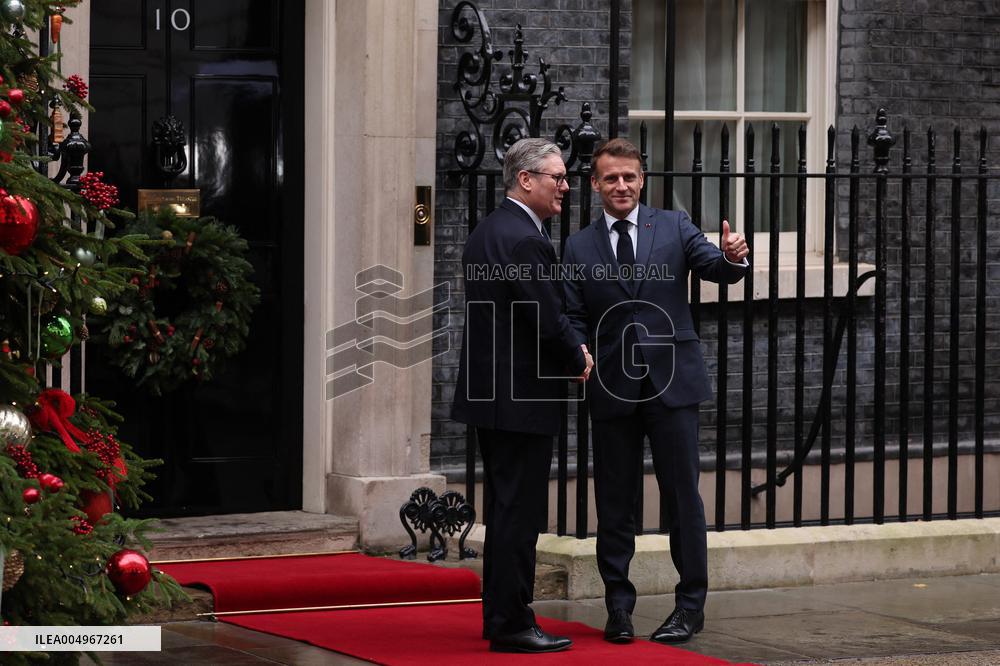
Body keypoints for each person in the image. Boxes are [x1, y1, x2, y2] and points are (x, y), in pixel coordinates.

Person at [562, 138, 748, 645]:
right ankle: (619, 609)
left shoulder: (674, 225)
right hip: (612, 388)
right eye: (611, 178)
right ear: (596, 184)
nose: (621, 185)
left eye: (629, 177)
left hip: (673, 385)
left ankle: (690, 608)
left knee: (683, 500)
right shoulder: (579, 246)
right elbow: (574, 315)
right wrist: (579, 350)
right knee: (615, 504)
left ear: (642, 180)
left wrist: (733, 258)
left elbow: (715, 267)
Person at [452, 137, 593, 654]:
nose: (565, 185)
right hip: (521, 398)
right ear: (525, 180)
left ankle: (502, 617)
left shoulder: (489, 230)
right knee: (520, 513)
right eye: (556, 177)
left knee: (507, 510)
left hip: (493, 396)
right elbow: (546, 317)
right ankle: (513, 622)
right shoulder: (525, 239)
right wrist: (577, 355)